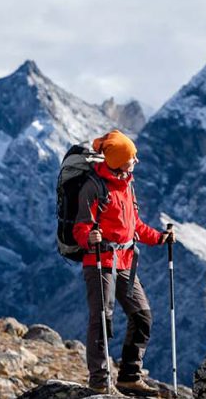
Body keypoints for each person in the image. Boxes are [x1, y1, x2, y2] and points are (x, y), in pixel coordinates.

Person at [72, 129, 175, 396]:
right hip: (100, 261)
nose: (136, 162)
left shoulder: (126, 184)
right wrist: (89, 237)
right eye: (132, 158)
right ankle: (98, 380)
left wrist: (159, 238)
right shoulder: (93, 187)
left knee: (142, 316)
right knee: (102, 321)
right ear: (118, 161)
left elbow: (135, 226)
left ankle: (129, 376)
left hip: (126, 262)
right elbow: (80, 227)